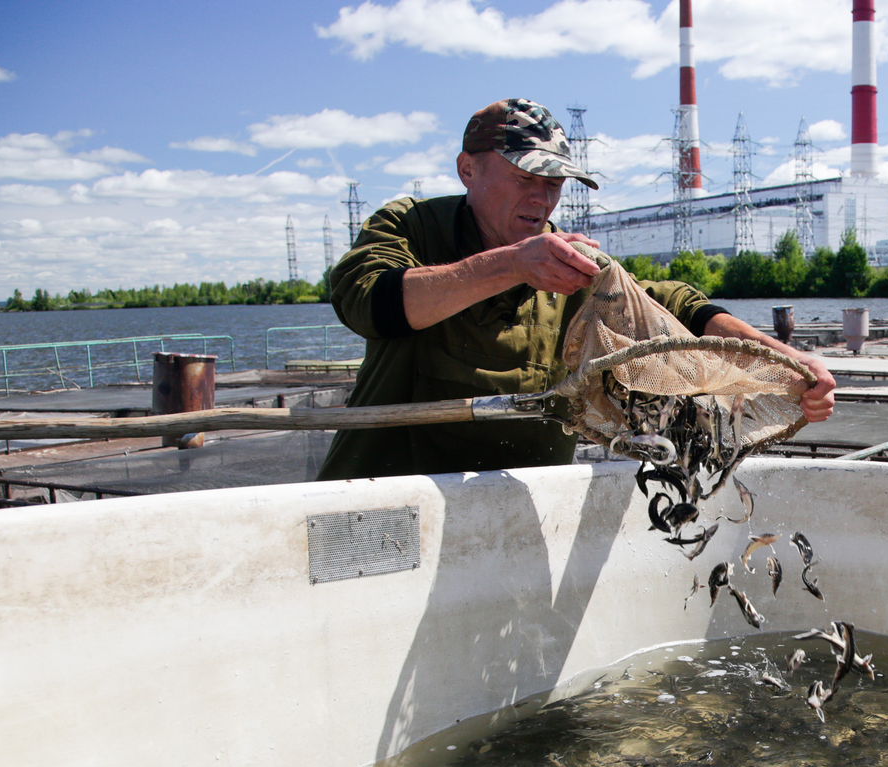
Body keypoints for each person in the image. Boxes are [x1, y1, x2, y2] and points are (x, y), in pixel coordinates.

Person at [318, 98, 835, 480]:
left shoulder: (566, 258)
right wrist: (512, 265)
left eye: (554, 183)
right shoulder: (411, 226)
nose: (542, 198)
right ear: (467, 169)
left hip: (521, 507)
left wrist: (779, 357)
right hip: (386, 500)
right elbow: (369, 302)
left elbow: (666, 303)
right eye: (526, 175)